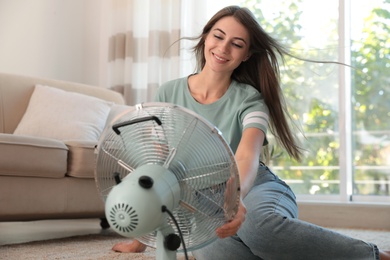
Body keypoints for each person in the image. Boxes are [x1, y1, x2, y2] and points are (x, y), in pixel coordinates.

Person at [112, 5, 390, 260]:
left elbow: (247, 155)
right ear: (205, 37)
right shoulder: (167, 93)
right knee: (222, 254)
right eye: (218, 37)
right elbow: (158, 164)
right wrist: (142, 237)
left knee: (260, 231)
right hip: (201, 203)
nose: (223, 48)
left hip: (254, 188)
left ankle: (370, 255)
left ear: (246, 54)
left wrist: (237, 198)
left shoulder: (250, 100)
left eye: (237, 44)